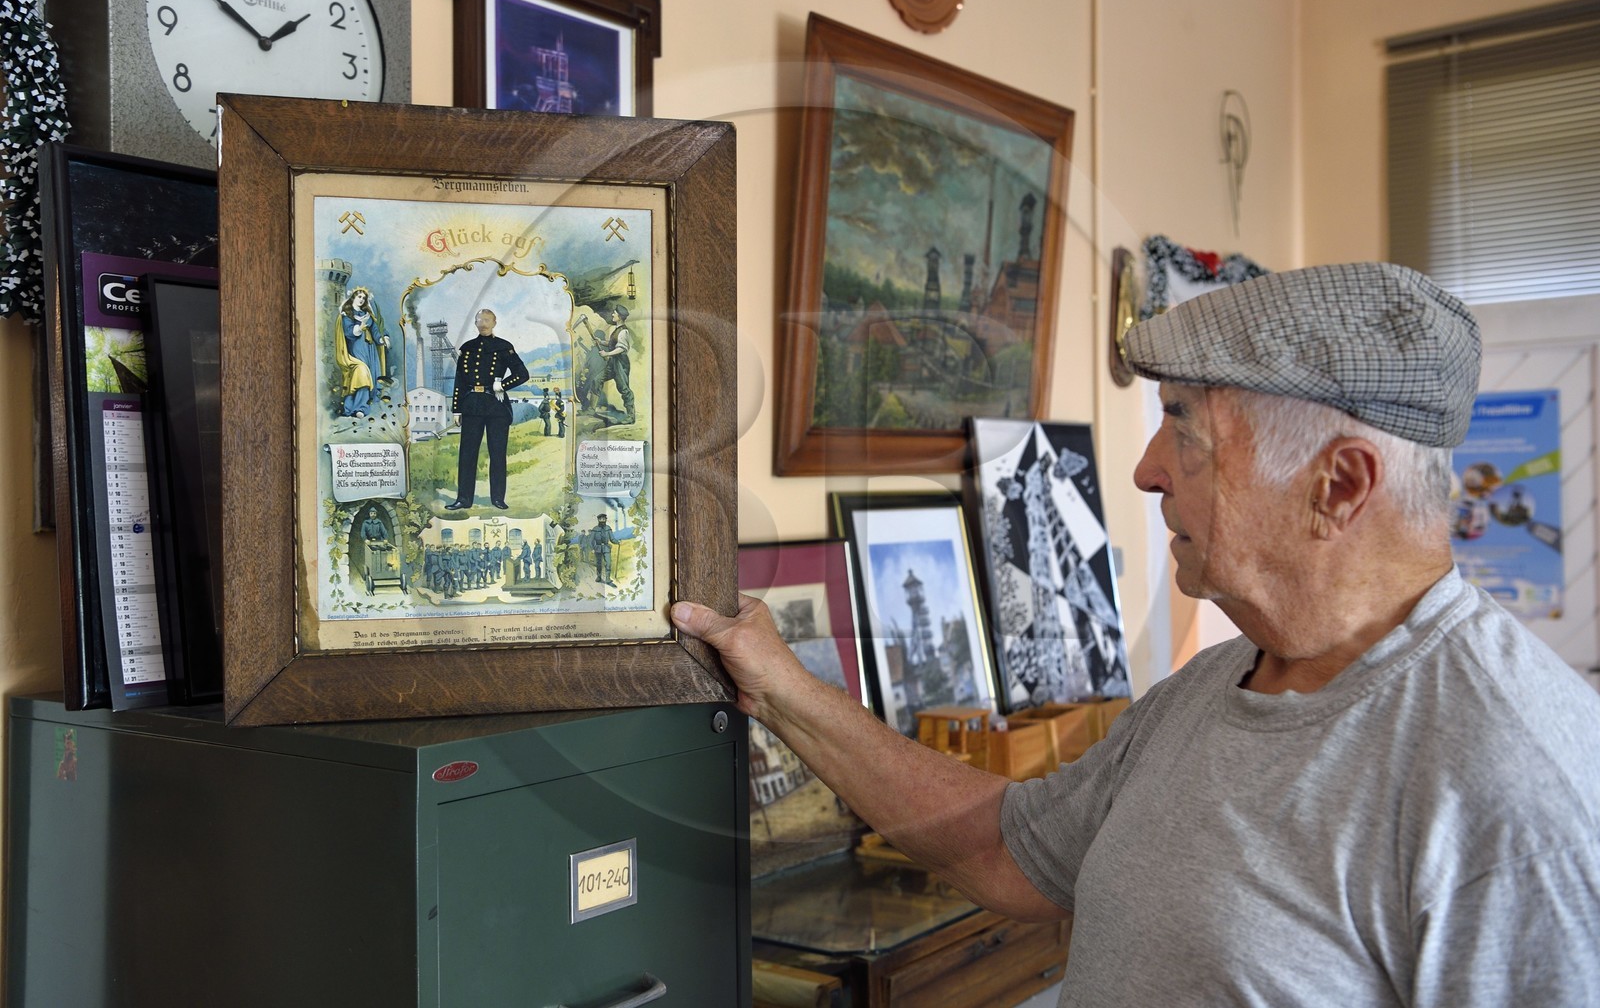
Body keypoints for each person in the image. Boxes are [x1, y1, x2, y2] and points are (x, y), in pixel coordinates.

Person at [673, 263, 1600, 1007]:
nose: (1148, 472)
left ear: (1341, 486)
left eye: (1186, 430)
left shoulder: (1512, 787)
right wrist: (784, 688)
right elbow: (1005, 848)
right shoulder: (1215, 689)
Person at [447, 308, 528, 511]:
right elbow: (459, 381)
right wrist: (456, 409)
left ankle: (498, 499)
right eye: (479, 320)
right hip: (471, 406)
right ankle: (464, 499)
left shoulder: (503, 347)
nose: (483, 323)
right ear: (475, 323)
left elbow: (522, 374)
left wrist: (503, 385)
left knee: (497, 453)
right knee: (467, 454)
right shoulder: (467, 348)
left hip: (496, 407)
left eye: (487, 320)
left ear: (494, 322)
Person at [332, 287, 390, 418]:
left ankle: (364, 407)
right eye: (359, 297)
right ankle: (358, 407)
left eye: (364, 298)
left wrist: (383, 338)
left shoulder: (368, 315)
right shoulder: (347, 315)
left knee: (372, 376)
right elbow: (348, 333)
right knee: (361, 373)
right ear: (353, 297)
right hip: (356, 349)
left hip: (370, 350)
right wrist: (359, 327)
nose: (361, 300)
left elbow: (376, 330)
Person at [597, 305, 636, 424]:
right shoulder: (616, 329)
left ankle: (630, 416)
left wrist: (607, 353)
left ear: (619, 317)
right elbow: (613, 343)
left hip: (620, 362)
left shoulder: (623, 331)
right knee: (597, 379)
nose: (612, 315)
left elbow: (621, 348)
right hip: (613, 362)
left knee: (624, 388)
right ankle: (592, 407)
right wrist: (601, 342)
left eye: (614, 313)